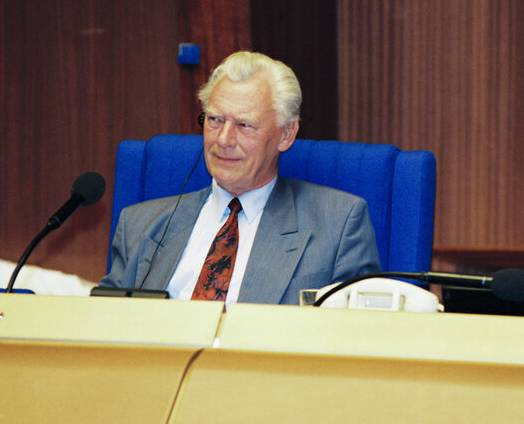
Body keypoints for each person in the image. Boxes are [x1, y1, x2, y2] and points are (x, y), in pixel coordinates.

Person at [100, 51, 381, 304]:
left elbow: (353, 337)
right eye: (215, 120)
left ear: (286, 134)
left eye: (244, 125)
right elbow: (105, 328)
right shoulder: (139, 225)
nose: (223, 140)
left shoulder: (339, 224)